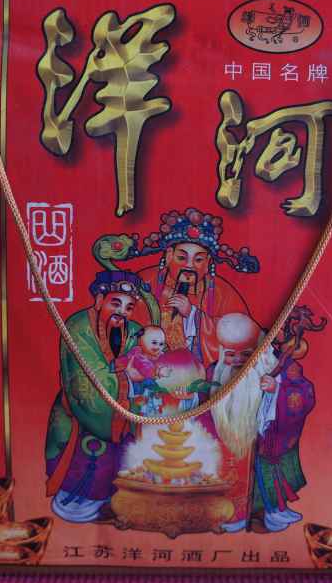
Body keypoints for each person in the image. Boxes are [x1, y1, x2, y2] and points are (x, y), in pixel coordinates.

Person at [44, 270, 148, 523]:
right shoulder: (78, 326)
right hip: (82, 413)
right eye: (116, 303)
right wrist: (126, 377)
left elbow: (149, 362)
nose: (122, 312)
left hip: (126, 413)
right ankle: (79, 503)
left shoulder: (135, 331)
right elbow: (86, 377)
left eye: (129, 307)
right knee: (89, 463)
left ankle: (118, 502)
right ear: (100, 300)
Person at [207, 313, 314, 533]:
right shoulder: (214, 373)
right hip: (230, 449)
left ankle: (270, 512)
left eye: (246, 354)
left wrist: (277, 389)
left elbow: (305, 395)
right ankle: (233, 515)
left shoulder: (281, 367)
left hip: (266, 444)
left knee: (265, 479)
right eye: (230, 355)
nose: (238, 360)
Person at [132, 208, 259, 367]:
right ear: (169, 255)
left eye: (198, 260)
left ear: (208, 263)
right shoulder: (145, 281)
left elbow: (243, 338)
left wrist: (192, 314)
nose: (189, 265)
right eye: (181, 258)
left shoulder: (222, 292)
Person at [114, 325, 170, 417]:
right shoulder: (138, 353)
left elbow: (166, 364)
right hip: (139, 387)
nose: (158, 347)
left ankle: (155, 408)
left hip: (151, 386)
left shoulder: (160, 355)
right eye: (154, 343)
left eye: (161, 344)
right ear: (141, 342)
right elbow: (146, 367)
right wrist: (158, 372)